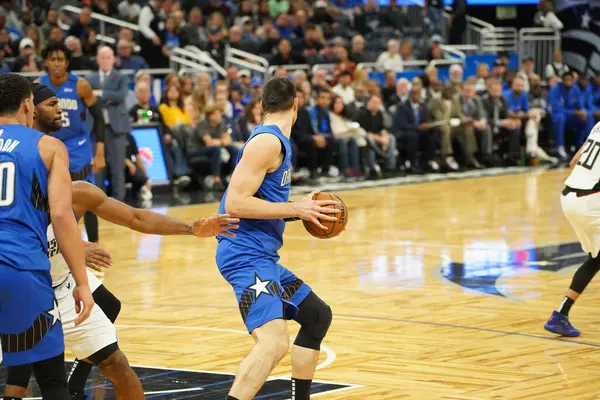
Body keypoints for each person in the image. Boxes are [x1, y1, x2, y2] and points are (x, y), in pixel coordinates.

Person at [2, 83, 239, 400]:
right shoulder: (20, 185)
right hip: (27, 285)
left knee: (116, 365)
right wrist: (73, 246)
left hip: (62, 288)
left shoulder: (78, 191)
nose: (61, 110)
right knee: (32, 378)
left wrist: (191, 228)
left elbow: (136, 217)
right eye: (50, 104)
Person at [216, 77, 339, 400]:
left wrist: (302, 208)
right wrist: (295, 207)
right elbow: (236, 203)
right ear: (296, 104)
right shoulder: (267, 143)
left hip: (260, 254)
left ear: (262, 106)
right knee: (274, 343)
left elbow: (261, 200)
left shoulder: (276, 141)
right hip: (244, 253)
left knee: (316, 315)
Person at [0, 73, 93, 399]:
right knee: (52, 380)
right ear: (28, 105)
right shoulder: (48, 146)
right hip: (20, 267)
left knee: (16, 378)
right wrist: (82, 281)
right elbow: (60, 215)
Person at [39, 40, 106, 244]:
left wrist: (100, 151)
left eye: (61, 59)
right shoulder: (39, 87)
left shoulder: (80, 85)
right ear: (46, 62)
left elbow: (99, 118)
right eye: (53, 59)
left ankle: (94, 246)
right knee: (51, 198)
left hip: (77, 147)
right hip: (50, 146)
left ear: (67, 62)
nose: (57, 63)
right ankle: (53, 246)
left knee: (87, 197)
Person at [545, 121, 600, 337]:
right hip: (590, 198)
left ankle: (560, 315)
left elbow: (575, 159)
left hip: (569, 196)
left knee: (596, 258)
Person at [87, 45, 131, 203]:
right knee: (97, 166)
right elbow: (87, 98)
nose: (105, 60)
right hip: (95, 127)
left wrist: (100, 94)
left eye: (108, 57)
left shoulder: (121, 77)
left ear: (113, 59)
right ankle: (98, 201)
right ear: (98, 59)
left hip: (116, 127)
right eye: (102, 57)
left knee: (117, 166)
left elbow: (121, 95)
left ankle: (120, 201)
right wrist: (109, 98)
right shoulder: (89, 78)